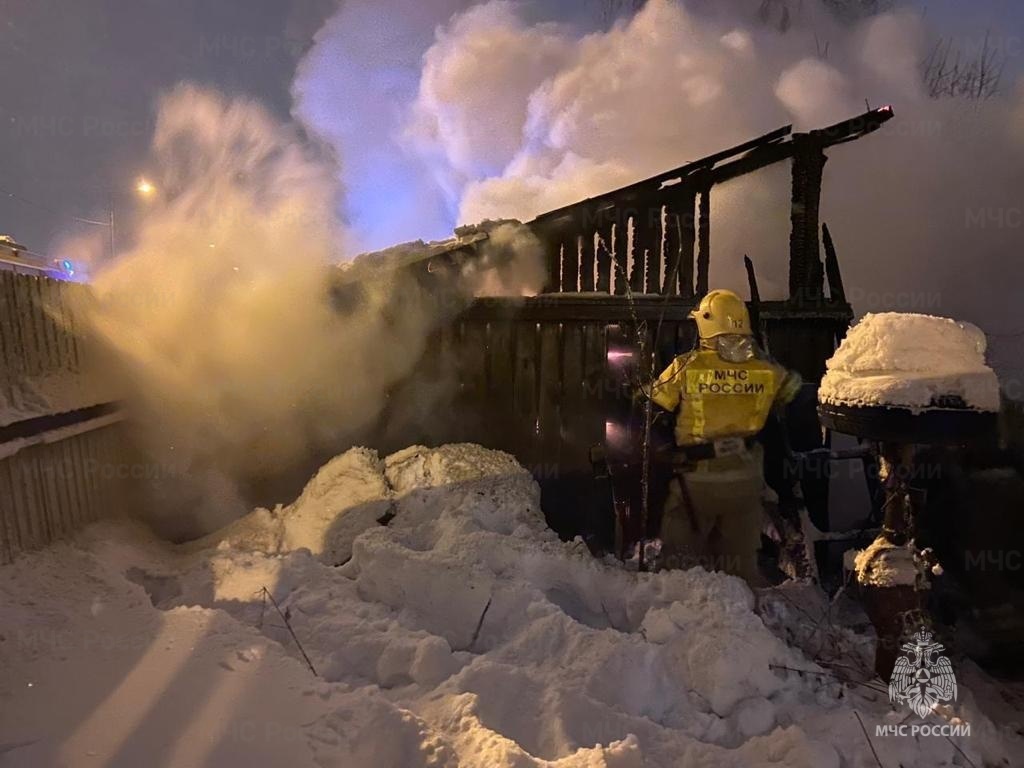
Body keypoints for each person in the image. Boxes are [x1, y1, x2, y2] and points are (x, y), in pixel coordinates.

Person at [647, 289, 801, 583]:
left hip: (696, 483)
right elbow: (792, 401)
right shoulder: (766, 371)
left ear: (705, 323)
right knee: (740, 572)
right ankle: (739, 607)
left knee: (676, 571)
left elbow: (652, 408)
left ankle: (683, 605)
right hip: (745, 484)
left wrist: (663, 448)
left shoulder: (686, 366)